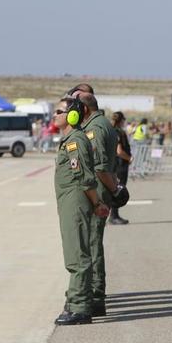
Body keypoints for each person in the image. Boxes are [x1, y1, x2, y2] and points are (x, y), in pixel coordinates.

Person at [52, 97, 109, 325]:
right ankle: (77, 301)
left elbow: (85, 178)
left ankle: (80, 308)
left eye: (59, 111)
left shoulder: (75, 141)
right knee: (73, 254)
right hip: (68, 202)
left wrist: (97, 204)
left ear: (72, 115)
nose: (54, 115)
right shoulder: (68, 140)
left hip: (76, 202)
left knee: (78, 256)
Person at [68, 86, 121, 318]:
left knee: (91, 244)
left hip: (97, 192)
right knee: (91, 243)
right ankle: (93, 294)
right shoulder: (97, 125)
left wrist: (111, 191)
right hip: (99, 191)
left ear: (85, 108)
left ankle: (95, 295)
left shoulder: (96, 129)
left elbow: (99, 167)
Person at [110, 111, 132, 225]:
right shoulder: (118, 132)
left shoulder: (111, 131)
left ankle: (113, 215)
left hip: (115, 164)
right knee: (118, 190)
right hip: (120, 165)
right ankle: (114, 215)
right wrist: (129, 158)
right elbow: (119, 151)